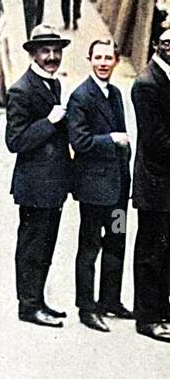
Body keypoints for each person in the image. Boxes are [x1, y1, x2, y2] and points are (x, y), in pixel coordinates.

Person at [5, 24, 72, 327]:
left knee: (45, 246)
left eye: (56, 51)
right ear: (32, 53)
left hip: (52, 185)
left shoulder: (52, 84)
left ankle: (38, 300)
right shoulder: (21, 90)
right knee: (32, 247)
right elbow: (15, 141)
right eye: (45, 50)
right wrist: (49, 121)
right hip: (34, 186)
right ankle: (28, 306)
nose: (52, 56)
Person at [67, 38, 134, 332]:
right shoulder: (81, 96)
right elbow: (79, 142)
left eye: (109, 58)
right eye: (99, 58)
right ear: (90, 60)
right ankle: (87, 307)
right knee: (90, 246)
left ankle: (110, 300)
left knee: (117, 242)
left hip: (118, 191)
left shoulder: (116, 93)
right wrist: (111, 140)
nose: (104, 63)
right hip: (94, 191)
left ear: (116, 61)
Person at [130, 28, 170, 342]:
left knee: (164, 251)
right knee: (151, 251)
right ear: (158, 45)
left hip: (164, 181)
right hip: (155, 180)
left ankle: (162, 310)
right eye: (168, 43)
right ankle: (148, 317)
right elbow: (156, 141)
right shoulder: (147, 84)